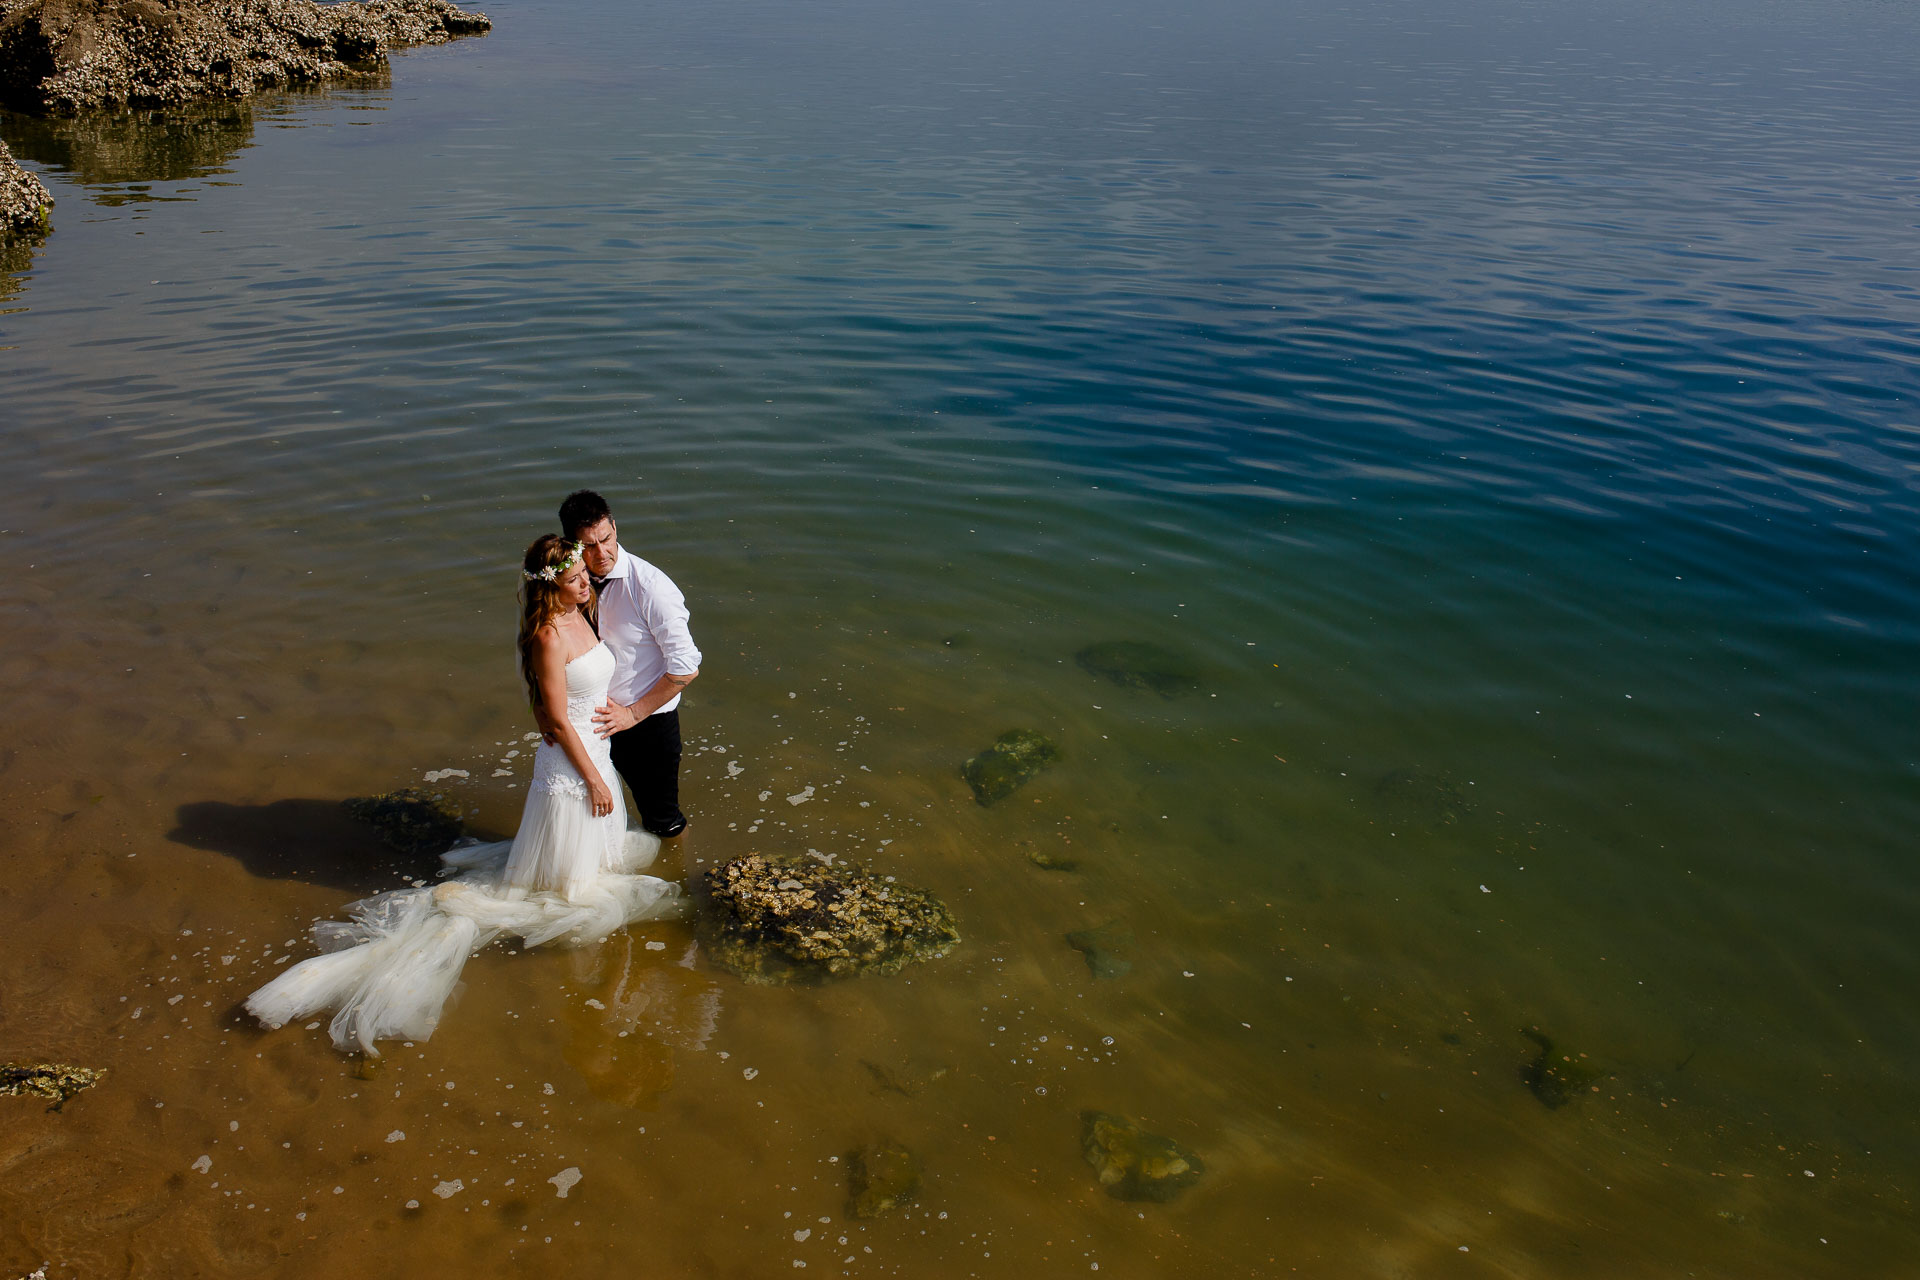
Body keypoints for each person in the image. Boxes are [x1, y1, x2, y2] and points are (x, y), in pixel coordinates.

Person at [245, 534, 683, 1056]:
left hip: (595, 752)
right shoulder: (547, 635)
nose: (587, 582)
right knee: (570, 889)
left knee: (589, 856)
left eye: (585, 576)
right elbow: (557, 721)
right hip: (573, 766)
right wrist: (589, 776)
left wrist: (609, 711)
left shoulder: (580, 615)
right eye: (575, 579)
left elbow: (574, 693)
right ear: (552, 588)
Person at [557, 489, 702, 840]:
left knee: (662, 820)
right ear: (572, 545)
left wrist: (633, 714)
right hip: (589, 719)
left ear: (615, 528)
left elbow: (686, 667)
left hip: (646, 725)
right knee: (583, 809)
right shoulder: (570, 585)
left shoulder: (651, 587)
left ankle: (675, 883)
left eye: (605, 539)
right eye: (588, 546)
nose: (601, 552)